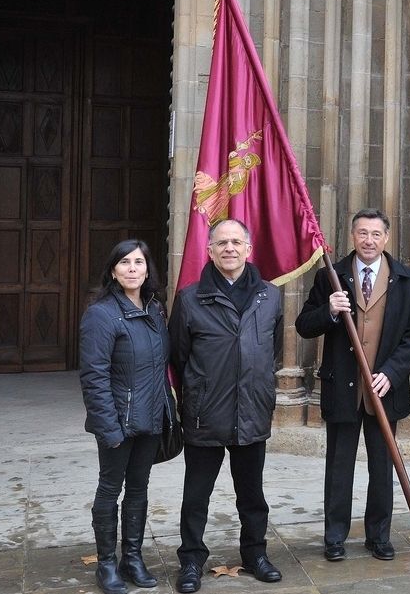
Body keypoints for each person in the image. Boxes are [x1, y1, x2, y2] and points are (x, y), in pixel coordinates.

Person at [295, 208, 410, 562]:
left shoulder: (408, 280)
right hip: (343, 388)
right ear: (353, 236)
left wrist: (392, 372)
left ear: (386, 238)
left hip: (384, 389)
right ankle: (335, 537)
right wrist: (328, 310)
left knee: (382, 466)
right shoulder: (331, 276)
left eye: (376, 234)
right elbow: (304, 325)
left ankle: (378, 536)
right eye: (363, 233)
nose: (369, 240)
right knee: (339, 467)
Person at [169, 219, 284, 593]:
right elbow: (179, 356)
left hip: (252, 410)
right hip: (205, 413)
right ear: (210, 251)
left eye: (236, 242)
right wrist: (200, 391)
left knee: (252, 495)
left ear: (249, 249)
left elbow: (272, 350)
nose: (229, 248)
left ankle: (255, 554)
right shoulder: (190, 299)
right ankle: (191, 561)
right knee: (196, 496)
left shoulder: (270, 296)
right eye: (221, 243)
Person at [79, 239, 171, 594]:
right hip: (118, 421)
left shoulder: (155, 309)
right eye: (124, 263)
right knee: (109, 489)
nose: (132, 269)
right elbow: (94, 376)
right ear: (113, 271)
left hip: (150, 417)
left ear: (148, 269)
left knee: (138, 488)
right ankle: (106, 564)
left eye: (139, 262)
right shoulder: (101, 314)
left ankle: (132, 557)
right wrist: (108, 427)